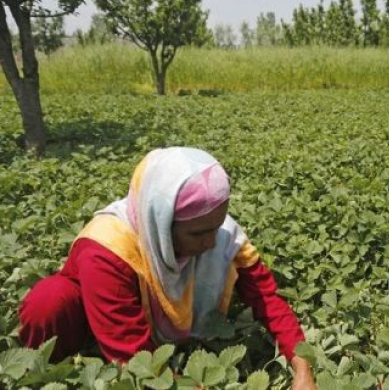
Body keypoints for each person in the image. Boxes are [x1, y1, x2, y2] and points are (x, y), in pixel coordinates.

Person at [19, 147, 316, 389]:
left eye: (217, 226)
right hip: (98, 325)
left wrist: (303, 369)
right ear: (159, 223)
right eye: (198, 233)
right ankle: (45, 375)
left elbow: (268, 301)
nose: (212, 242)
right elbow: (138, 362)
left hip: (138, 332)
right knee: (49, 301)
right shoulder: (107, 248)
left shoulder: (219, 231)